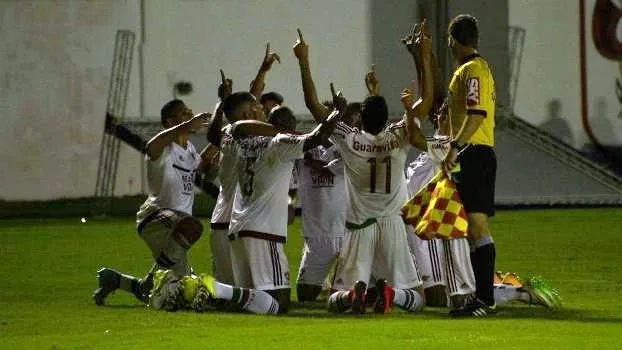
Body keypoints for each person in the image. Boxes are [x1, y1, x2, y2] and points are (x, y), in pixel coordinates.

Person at [292, 26, 433, 314]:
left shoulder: (350, 138)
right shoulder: (398, 136)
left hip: (359, 226)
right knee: (416, 298)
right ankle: (392, 293)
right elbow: (425, 103)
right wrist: (425, 57)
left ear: (361, 118)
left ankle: (352, 296)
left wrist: (303, 60)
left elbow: (313, 105)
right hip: (392, 224)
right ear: (387, 117)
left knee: (335, 299)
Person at [225, 91, 343, 314]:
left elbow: (235, 127)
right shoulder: (279, 143)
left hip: (239, 227)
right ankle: (214, 291)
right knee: (279, 302)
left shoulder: (240, 141)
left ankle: (220, 294)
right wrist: (336, 114)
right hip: (263, 231)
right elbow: (316, 138)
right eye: (258, 107)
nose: (261, 109)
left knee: (251, 302)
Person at [93, 99, 220, 306]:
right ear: (170, 121)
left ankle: (116, 280)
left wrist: (220, 137)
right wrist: (189, 125)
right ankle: (160, 289)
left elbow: (203, 164)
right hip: (156, 217)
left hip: (177, 225)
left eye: (190, 111)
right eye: (184, 113)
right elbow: (152, 145)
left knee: (182, 286)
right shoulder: (163, 148)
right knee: (191, 229)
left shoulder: (188, 150)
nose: (190, 114)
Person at [441, 14, 499, 317]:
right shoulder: (477, 68)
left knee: (476, 226)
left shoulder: (471, 70)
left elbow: (476, 114)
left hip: (474, 153)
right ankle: (478, 295)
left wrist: (455, 145)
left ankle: (484, 299)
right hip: (475, 151)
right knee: (470, 226)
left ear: (453, 40)